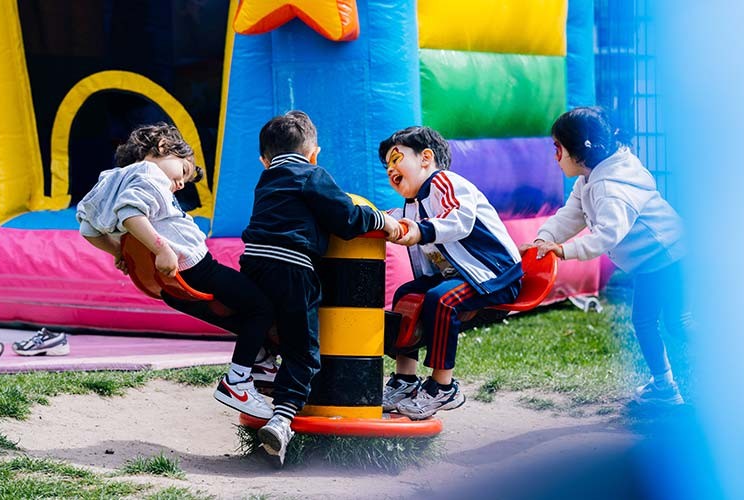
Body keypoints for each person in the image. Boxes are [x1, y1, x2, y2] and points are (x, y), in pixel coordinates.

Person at [76, 123, 278, 419]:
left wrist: (120, 251)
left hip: (170, 283)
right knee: (262, 308)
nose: (182, 184)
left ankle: (260, 359)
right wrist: (161, 248)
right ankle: (237, 382)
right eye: (184, 171)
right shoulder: (149, 173)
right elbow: (131, 212)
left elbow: (87, 227)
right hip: (196, 266)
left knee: (237, 313)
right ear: (161, 147)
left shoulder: (113, 180)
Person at [240, 110, 402, 466]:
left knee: (268, 322)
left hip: (253, 263)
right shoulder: (312, 174)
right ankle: (282, 421)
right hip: (292, 268)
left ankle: (261, 364)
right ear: (314, 153)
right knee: (304, 352)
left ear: (264, 159)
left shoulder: (266, 180)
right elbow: (346, 218)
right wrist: (383, 220)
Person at [521, 106, 690, 406]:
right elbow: (571, 216)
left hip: (668, 256)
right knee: (654, 322)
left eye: (557, 148)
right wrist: (544, 240)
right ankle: (665, 387)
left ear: (578, 152)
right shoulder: (589, 179)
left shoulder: (610, 187)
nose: (554, 156)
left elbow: (609, 234)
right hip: (654, 261)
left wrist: (565, 251)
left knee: (673, 323)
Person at [380, 126, 523, 420]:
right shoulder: (411, 205)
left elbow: (459, 220)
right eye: (387, 165)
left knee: (441, 300)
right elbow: (396, 221)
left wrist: (420, 230)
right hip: (458, 275)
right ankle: (405, 379)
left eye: (396, 159)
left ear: (426, 158)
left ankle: (443, 386)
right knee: (405, 293)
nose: (391, 169)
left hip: (493, 273)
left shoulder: (445, 182)